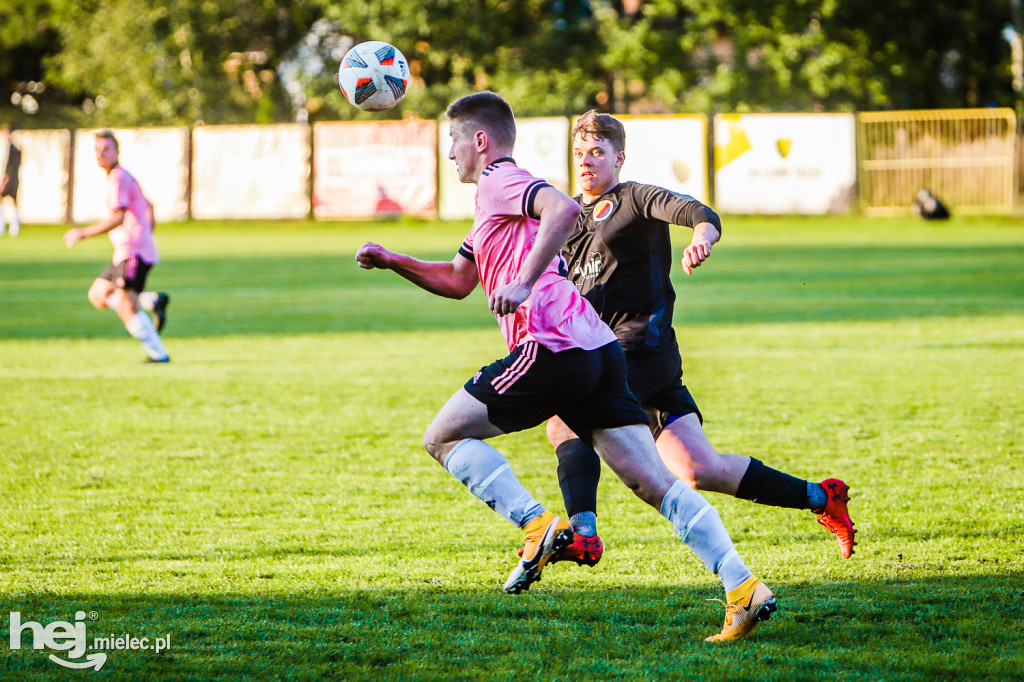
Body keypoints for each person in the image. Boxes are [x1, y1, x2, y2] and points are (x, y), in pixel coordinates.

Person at [356, 92, 776, 642]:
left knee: (443, 436)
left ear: (480, 142)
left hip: (551, 345)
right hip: (597, 348)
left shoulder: (498, 178)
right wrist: (394, 262)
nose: (449, 153)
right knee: (654, 482)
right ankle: (743, 586)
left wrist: (524, 281)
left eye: (453, 141)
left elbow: (563, 208)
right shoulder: (490, 206)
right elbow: (459, 281)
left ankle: (536, 525)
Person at [543, 111, 856, 571]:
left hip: (640, 347)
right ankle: (821, 496)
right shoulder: (568, 216)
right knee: (698, 469)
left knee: (565, 415)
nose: (586, 162)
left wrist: (701, 239)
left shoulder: (635, 198)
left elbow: (698, 213)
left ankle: (583, 534)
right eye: (579, 154)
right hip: (615, 354)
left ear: (619, 157)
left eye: (597, 153)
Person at [63, 130, 171, 363]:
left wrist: (83, 233)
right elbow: (149, 205)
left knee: (126, 307)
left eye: (106, 150)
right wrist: (146, 230)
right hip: (126, 251)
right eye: (97, 151)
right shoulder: (120, 177)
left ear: (117, 151)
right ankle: (150, 301)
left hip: (133, 253)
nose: (101, 155)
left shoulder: (118, 178)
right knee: (98, 294)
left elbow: (118, 217)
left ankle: (159, 355)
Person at [0, 124, 22, 237]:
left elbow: (9, 166)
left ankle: (8, 227)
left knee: (11, 201)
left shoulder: (11, 150)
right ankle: (11, 226)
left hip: (9, 178)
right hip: (12, 178)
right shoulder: (15, 148)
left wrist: (4, 180)